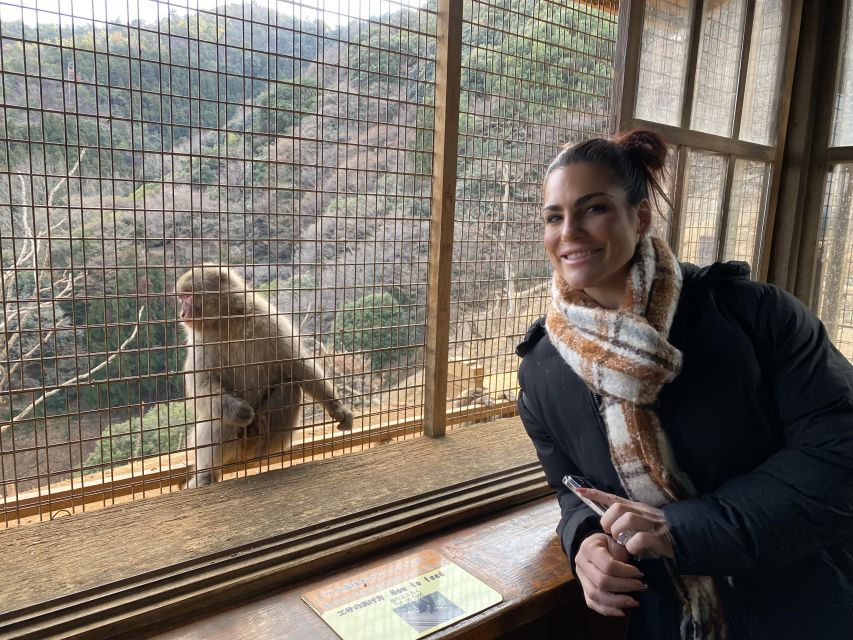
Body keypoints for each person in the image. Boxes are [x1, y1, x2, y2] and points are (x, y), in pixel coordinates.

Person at [515, 130, 853, 639]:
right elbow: (573, 493)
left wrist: (680, 530)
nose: (570, 232)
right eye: (554, 216)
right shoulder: (542, 370)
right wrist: (584, 542)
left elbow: (838, 456)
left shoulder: (752, 316)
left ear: (641, 216)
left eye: (594, 209)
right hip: (666, 619)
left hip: (804, 602)